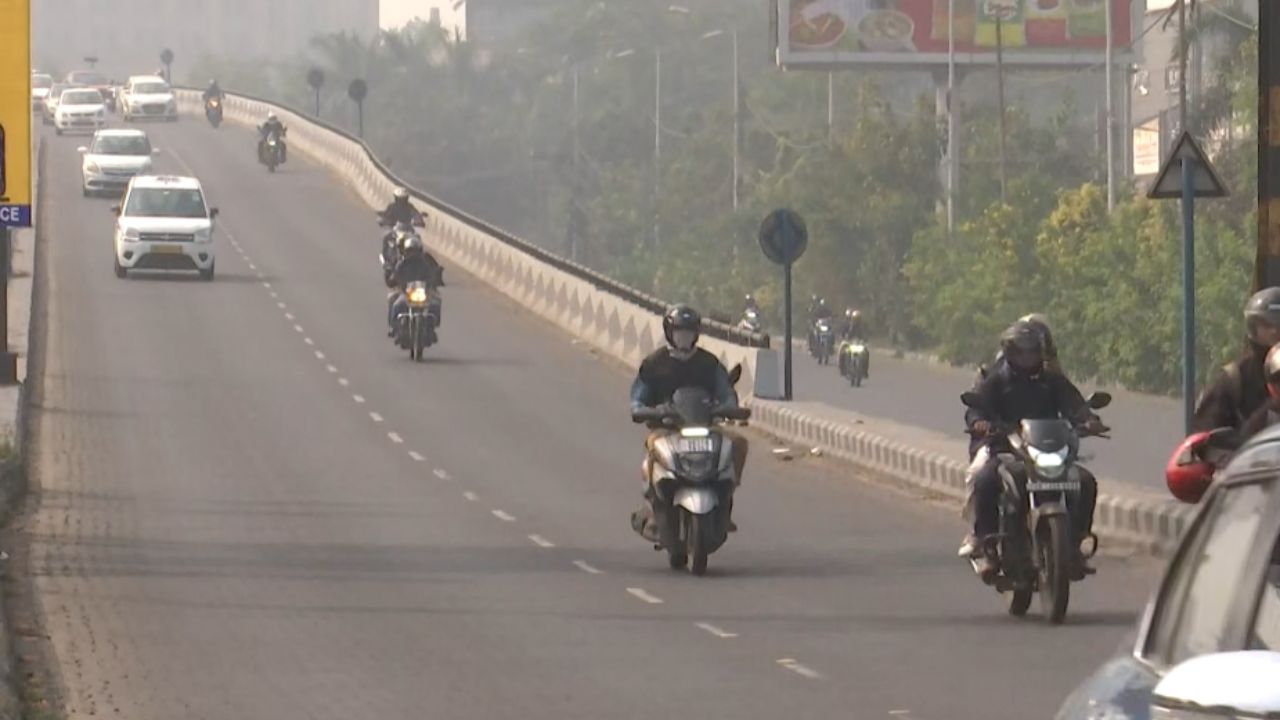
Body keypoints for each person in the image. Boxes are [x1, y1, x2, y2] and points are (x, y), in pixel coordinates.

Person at [961, 321, 1106, 581]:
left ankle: (1075, 544)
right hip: (1008, 449)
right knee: (985, 480)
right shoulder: (997, 381)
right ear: (1009, 352)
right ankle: (986, 545)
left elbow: (1075, 404)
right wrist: (979, 422)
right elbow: (976, 407)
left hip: (1047, 450)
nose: (1027, 358)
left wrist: (1089, 419)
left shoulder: (1053, 381)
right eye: (1021, 352)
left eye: (1032, 351)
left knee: (1084, 481)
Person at [629, 305, 749, 541]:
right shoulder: (654, 364)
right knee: (653, 446)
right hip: (666, 427)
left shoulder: (709, 363)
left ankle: (725, 500)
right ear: (669, 333)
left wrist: (727, 407)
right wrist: (646, 411)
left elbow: (726, 393)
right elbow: (637, 398)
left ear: (696, 334)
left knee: (738, 442)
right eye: (679, 333)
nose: (683, 338)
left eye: (688, 333)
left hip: (704, 424)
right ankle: (654, 507)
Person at [1192, 287, 1280, 434]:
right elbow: (1206, 442)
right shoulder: (1233, 380)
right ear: (1253, 329)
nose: (1275, 332)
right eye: (1267, 325)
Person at [386, 235, 443, 337]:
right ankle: (393, 327)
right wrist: (392, 278)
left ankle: (431, 327)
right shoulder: (401, 263)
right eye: (410, 250)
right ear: (406, 251)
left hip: (424, 293)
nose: (413, 253)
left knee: (436, 303)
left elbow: (432, 273)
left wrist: (435, 280)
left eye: (415, 251)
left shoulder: (425, 263)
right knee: (395, 303)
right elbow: (395, 276)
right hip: (405, 292)